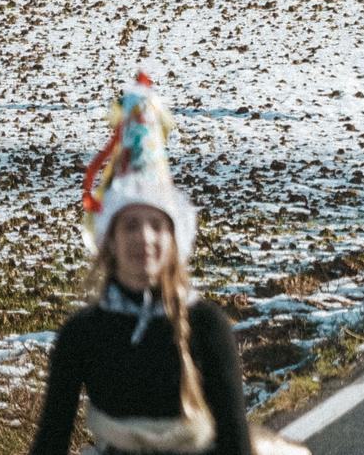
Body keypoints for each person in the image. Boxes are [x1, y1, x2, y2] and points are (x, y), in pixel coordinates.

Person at [32, 76, 269, 455]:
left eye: (157, 225)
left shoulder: (207, 327)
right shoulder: (82, 334)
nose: (144, 238)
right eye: (130, 225)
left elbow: (235, 444)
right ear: (110, 241)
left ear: (174, 240)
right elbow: (50, 442)